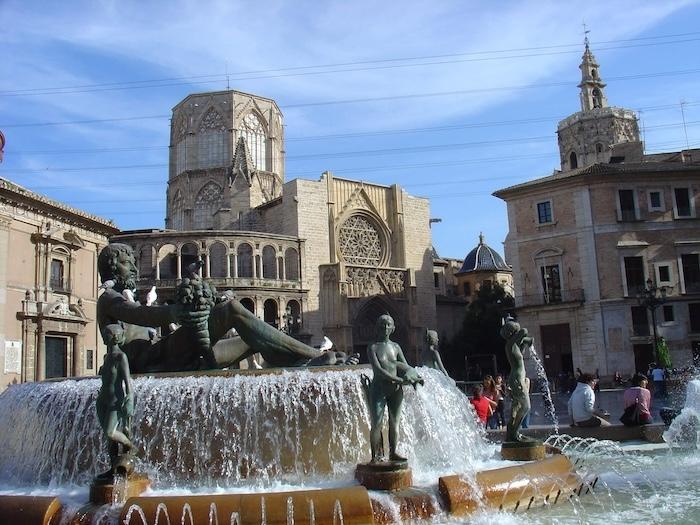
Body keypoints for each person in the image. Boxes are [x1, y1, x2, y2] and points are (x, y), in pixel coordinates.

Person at [97, 243, 355, 373]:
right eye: (126, 263)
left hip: (175, 356)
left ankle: (302, 364)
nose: (133, 268)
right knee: (231, 309)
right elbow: (141, 315)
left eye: (133, 262)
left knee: (255, 337)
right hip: (158, 360)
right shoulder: (110, 298)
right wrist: (176, 312)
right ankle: (313, 355)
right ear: (110, 267)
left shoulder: (124, 295)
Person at [367, 314, 423, 463]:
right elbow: (378, 370)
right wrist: (398, 379)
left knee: (395, 423)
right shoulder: (372, 347)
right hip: (379, 389)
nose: (385, 328)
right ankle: (375, 456)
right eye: (382, 325)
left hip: (396, 390)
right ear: (377, 327)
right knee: (377, 423)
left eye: (388, 325)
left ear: (393, 328)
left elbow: (404, 365)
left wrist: (414, 376)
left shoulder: (396, 347)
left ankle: (393, 453)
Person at [96, 324, 134, 477]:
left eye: (106, 335)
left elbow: (127, 381)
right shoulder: (106, 357)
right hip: (102, 400)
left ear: (114, 337)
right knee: (108, 438)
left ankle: (130, 445)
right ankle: (112, 469)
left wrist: (129, 398)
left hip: (115, 401)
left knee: (110, 432)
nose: (104, 337)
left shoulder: (121, 357)